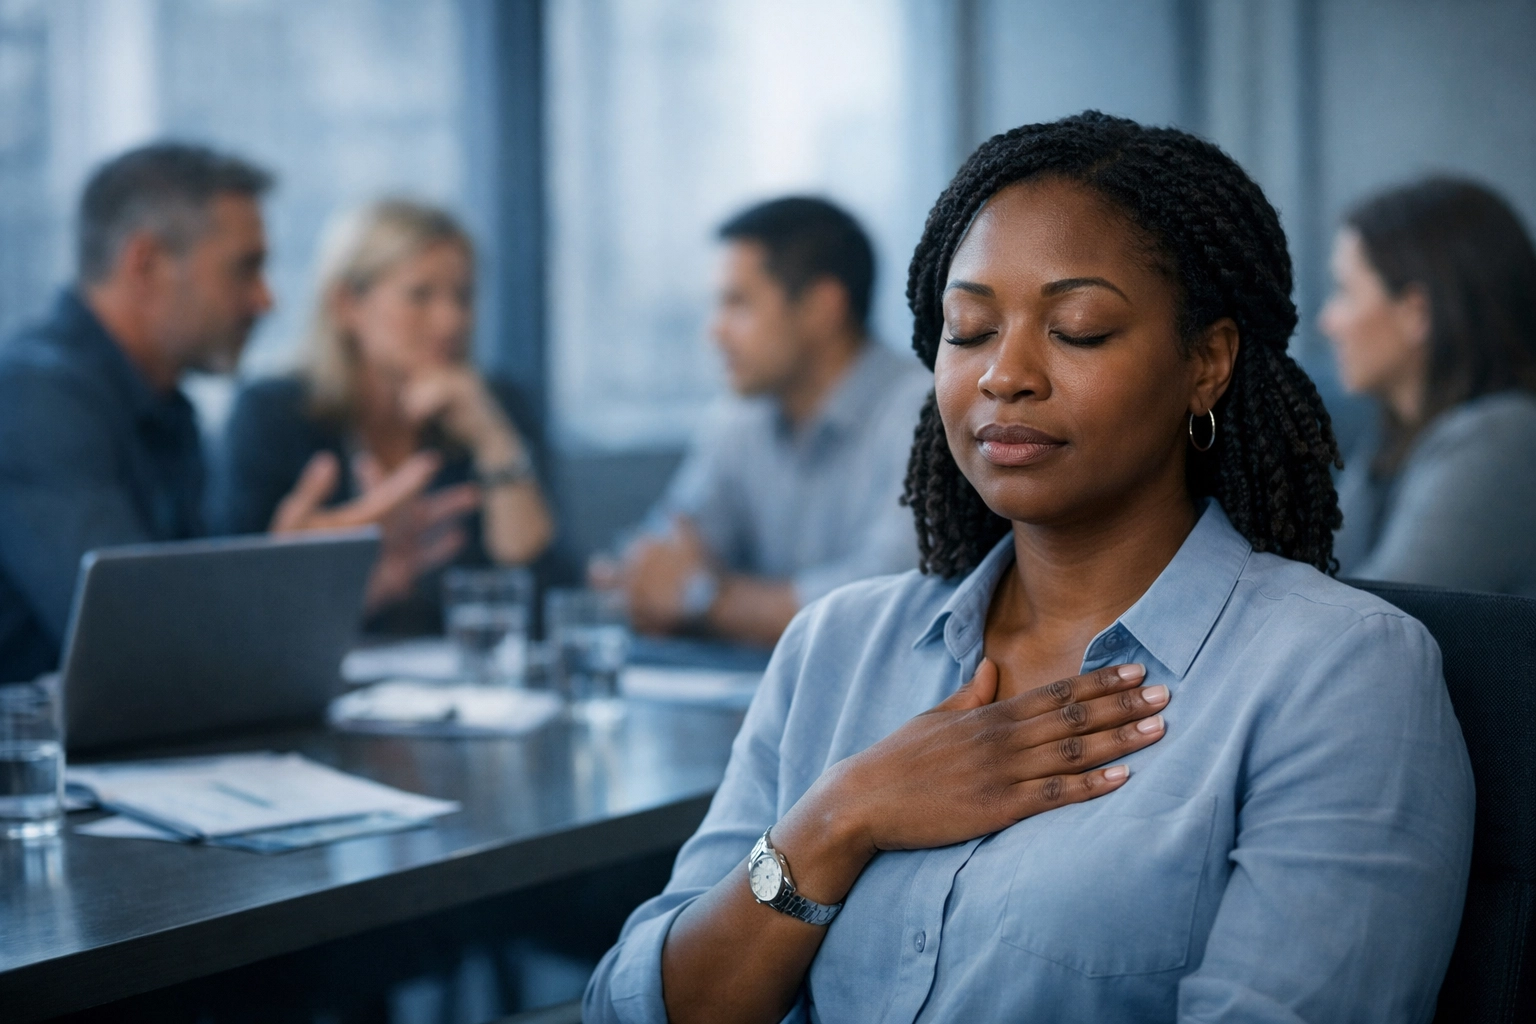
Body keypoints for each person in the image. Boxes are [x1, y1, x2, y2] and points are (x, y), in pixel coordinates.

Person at [585, 113, 1473, 1023]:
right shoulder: (837, 645)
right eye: (967, 330)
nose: (1004, 375)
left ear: (1206, 364)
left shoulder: (1342, 672)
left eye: (1078, 330)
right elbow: (638, 1007)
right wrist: (837, 817)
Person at [0, 145, 474, 682]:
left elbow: (188, 629)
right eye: (244, 269)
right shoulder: (32, 398)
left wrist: (313, 595)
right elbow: (137, 648)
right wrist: (286, 587)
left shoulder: (169, 410)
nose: (266, 299)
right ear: (146, 264)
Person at [212, 200, 552, 634]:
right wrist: (317, 576)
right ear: (346, 305)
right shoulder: (275, 414)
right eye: (420, 295)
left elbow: (543, 598)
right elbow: (231, 611)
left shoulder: (496, 405)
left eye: (463, 297)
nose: (450, 321)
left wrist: (494, 442)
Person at [605, 197, 930, 647]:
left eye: (737, 304)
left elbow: (889, 605)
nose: (713, 331)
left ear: (822, 308)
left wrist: (704, 599)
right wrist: (644, 575)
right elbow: (674, 549)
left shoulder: (920, 411)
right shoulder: (739, 414)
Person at [1320, 177, 1536, 594]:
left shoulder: (1502, 440)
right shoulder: (1394, 438)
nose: (1328, 321)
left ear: (1416, 313)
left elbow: (1378, 625)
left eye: (1345, 292)